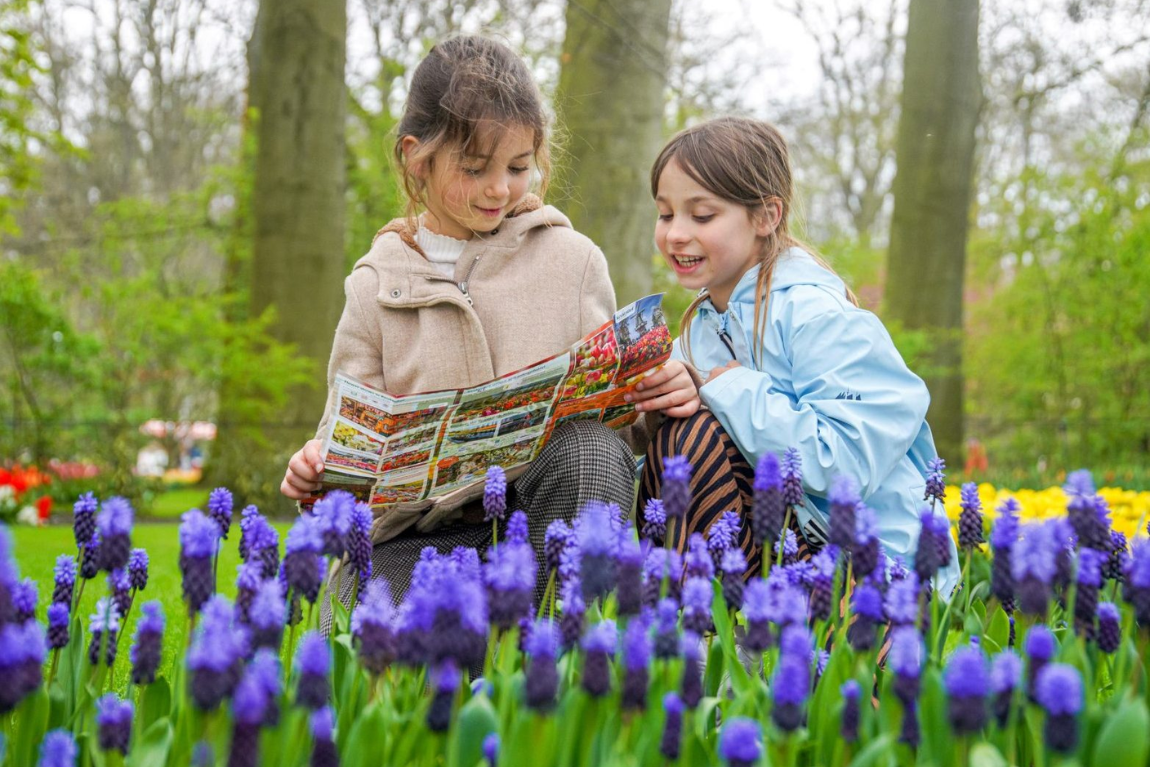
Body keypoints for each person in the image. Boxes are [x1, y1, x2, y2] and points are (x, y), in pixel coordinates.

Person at [278, 37, 698, 629]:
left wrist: (660, 393)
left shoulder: (573, 261)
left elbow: (622, 420)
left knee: (593, 451)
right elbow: (346, 436)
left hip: (543, 528)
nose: (500, 188)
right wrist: (314, 465)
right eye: (475, 169)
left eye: (519, 168)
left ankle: (561, 645)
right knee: (358, 653)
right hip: (416, 544)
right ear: (417, 158)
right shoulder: (373, 284)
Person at [637, 116, 959, 595]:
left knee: (695, 430)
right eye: (666, 215)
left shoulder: (814, 315)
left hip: (872, 561)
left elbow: (846, 460)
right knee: (681, 433)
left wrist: (729, 390)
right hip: (779, 547)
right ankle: (699, 627)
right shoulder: (697, 331)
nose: (676, 234)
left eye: (701, 215)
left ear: (766, 216)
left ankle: (785, 634)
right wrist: (650, 411)